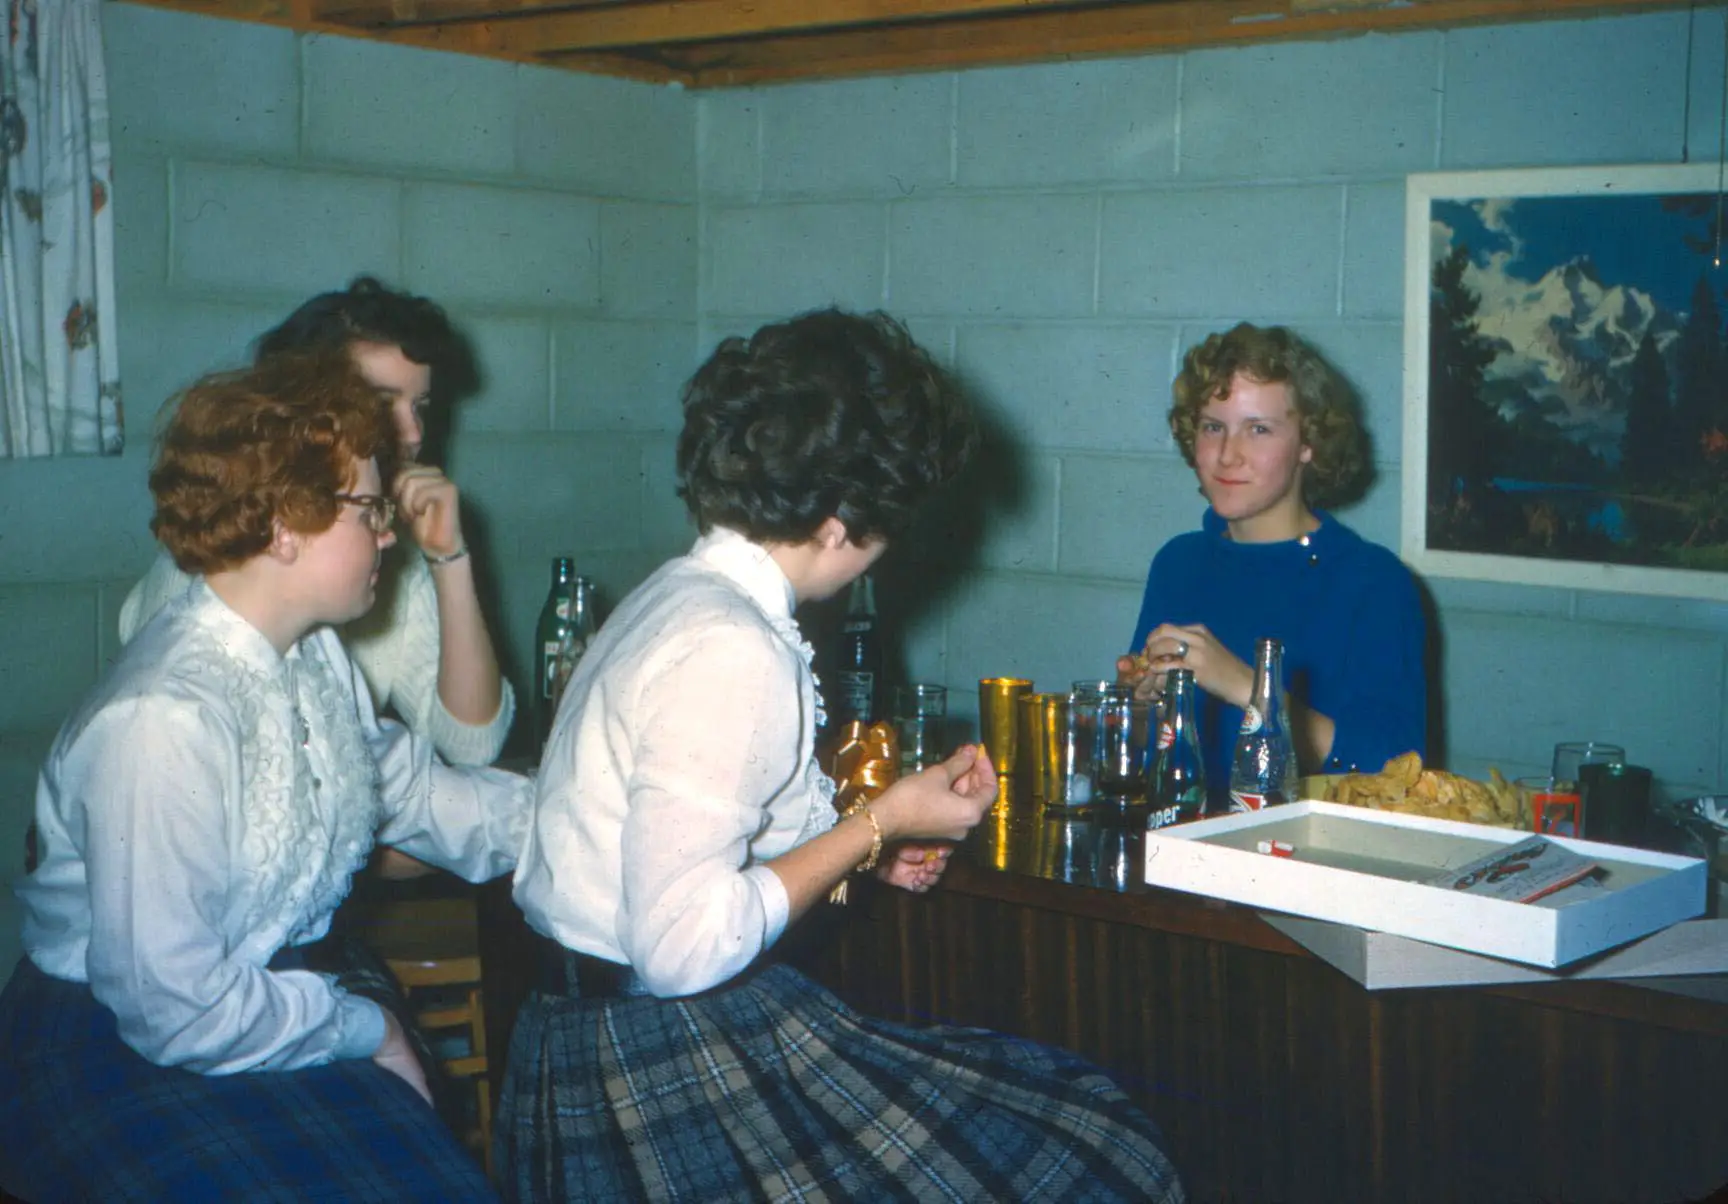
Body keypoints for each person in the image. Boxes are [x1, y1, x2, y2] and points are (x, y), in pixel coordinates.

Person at [500, 308, 1185, 1203]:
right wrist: (880, 823)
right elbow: (679, 950)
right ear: (838, 522)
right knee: (1097, 1146)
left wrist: (867, 848)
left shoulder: (675, 594)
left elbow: (695, 846)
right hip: (646, 1056)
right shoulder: (731, 644)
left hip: (573, 1041)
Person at [0, 352, 530, 1202]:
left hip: (269, 1005)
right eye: (369, 510)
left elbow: (422, 797)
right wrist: (366, 1027)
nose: (387, 534)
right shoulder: (162, 718)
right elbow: (173, 1008)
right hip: (119, 1034)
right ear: (285, 525)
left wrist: (587, 812)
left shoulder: (312, 656)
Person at [119, 276, 514, 768]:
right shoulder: (218, 555)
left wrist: (448, 557)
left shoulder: (389, 550)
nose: (413, 433)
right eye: (381, 403)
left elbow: (473, 746)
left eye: (419, 406)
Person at [1118, 322, 1426, 798]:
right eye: (1213, 427)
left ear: (1308, 443)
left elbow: (1395, 778)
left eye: (1258, 429)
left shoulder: (1373, 581)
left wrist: (1248, 687)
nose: (1227, 455)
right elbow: (1149, 755)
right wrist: (1139, 707)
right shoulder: (1179, 562)